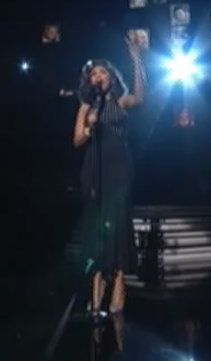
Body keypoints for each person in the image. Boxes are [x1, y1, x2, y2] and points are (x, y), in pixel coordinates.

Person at [73, 37, 146, 316]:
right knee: (96, 227)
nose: (98, 76)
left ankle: (118, 283)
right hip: (94, 168)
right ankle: (96, 287)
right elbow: (77, 140)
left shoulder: (120, 100)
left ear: (111, 76)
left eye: (102, 72)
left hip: (119, 167)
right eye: (93, 73)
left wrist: (136, 59)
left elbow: (140, 96)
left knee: (116, 224)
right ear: (89, 80)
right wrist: (88, 126)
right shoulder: (87, 105)